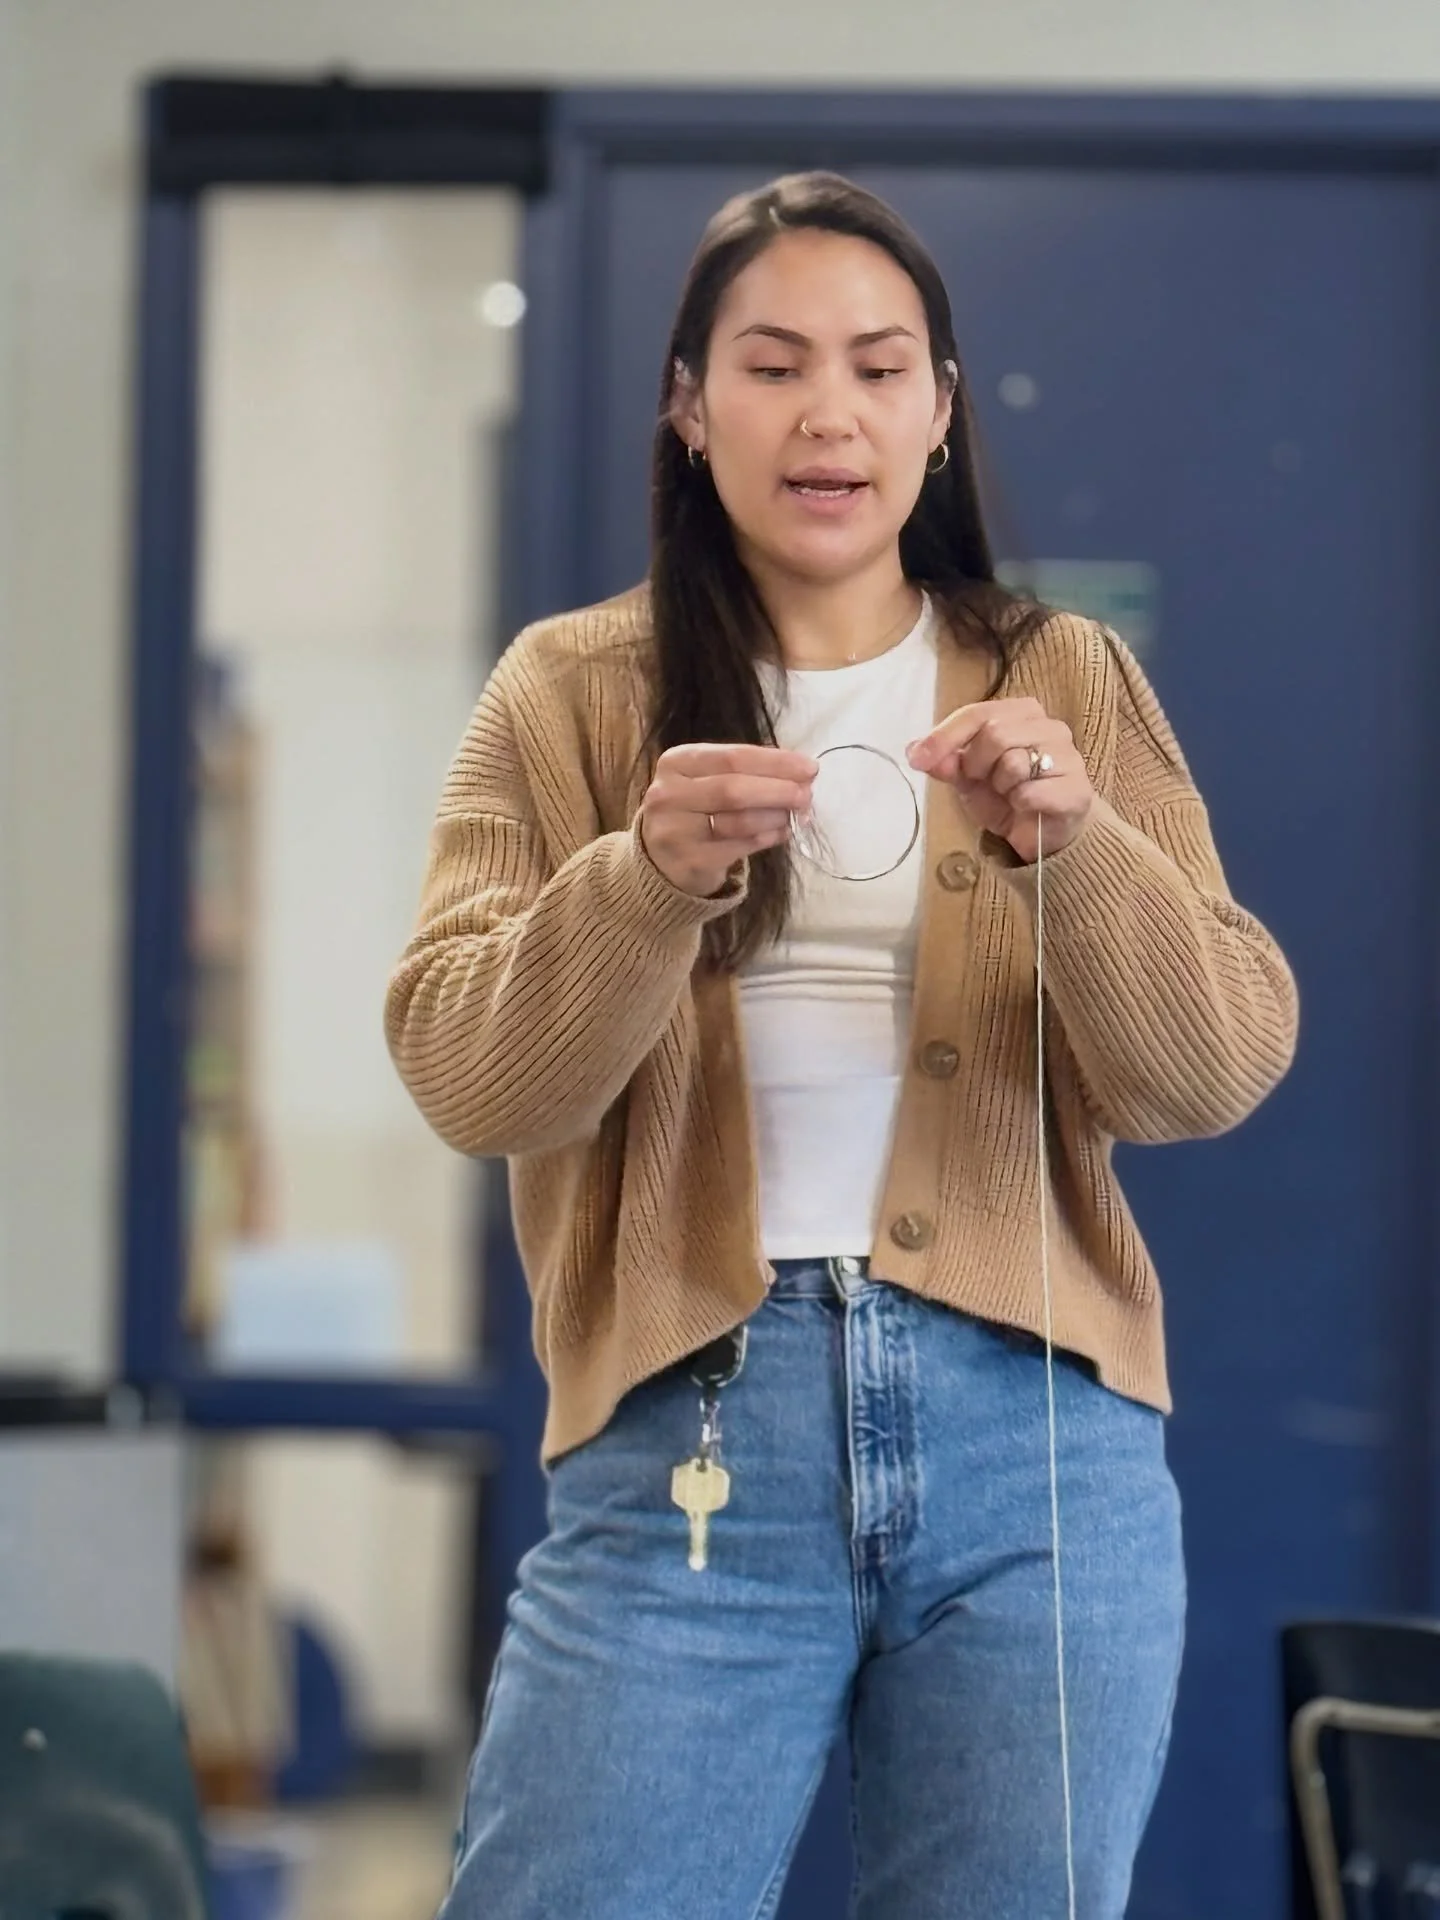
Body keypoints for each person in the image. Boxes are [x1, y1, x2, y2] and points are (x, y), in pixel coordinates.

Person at [386, 172, 1298, 1920]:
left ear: (942, 413)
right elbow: (466, 1075)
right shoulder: (571, 690)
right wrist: (639, 883)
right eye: (775, 363)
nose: (831, 414)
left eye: (882, 370)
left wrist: (1077, 856)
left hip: (1037, 1441)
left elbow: (1212, 1067)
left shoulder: (1065, 677)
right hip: (695, 1436)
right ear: (688, 402)